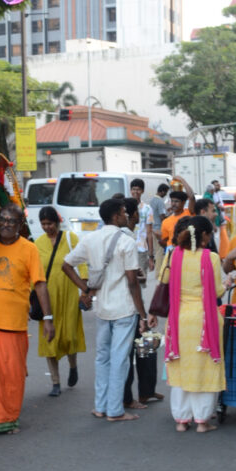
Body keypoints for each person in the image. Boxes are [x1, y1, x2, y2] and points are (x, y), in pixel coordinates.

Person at [0, 204, 54, 433]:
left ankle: (8, 418)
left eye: (12, 221)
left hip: (14, 324)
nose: (6, 224)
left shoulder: (29, 249)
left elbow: (40, 284)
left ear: (20, 225)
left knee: (12, 377)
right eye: (2, 220)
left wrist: (48, 318)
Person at [62, 197, 153, 421]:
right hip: (123, 308)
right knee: (120, 359)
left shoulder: (91, 238)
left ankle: (100, 406)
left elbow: (66, 265)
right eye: (123, 212)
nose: (126, 215)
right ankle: (115, 411)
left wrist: (86, 288)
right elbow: (133, 282)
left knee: (102, 358)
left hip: (101, 307)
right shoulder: (126, 241)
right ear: (115, 216)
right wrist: (142, 314)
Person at [160, 215, 225, 432]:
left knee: (181, 367)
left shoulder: (172, 255)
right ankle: (202, 420)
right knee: (204, 368)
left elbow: (164, 281)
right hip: (204, 319)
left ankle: (181, 420)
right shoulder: (211, 257)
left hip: (178, 319)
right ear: (204, 236)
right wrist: (229, 282)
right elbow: (217, 291)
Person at [35, 206, 86, 396]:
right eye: (43, 224)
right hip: (47, 297)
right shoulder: (37, 244)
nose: (47, 227)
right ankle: (55, 382)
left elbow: (82, 263)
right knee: (50, 340)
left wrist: (84, 289)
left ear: (57, 222)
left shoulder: (71, 239)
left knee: (69, 336)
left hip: (70, 294)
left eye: (49, 223)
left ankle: (73, 365)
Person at [129, 178, 155, 283]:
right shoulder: (125, 206)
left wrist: (151, 257)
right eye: (133, 189)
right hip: (127, 249)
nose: (135, 192)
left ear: (142, 191)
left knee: (141, 281)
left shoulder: (147, 209)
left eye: (138, 189)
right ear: (130, 190)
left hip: (141, 250)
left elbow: (149, 233)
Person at [149, 183, 169, 273]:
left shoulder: (152, 200)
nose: (165, 195)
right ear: (162, 191)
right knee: (159, 252)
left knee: (156, 251)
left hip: (152, 228)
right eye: (165, 193)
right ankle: (159, 273)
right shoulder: (160, 201)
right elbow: (162, 216)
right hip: (158, 229)